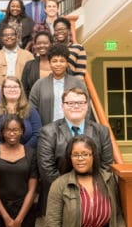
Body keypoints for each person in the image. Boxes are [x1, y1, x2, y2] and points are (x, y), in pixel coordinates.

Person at [37, 87, 114, 215]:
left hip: (95, 196)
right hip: (60, 199)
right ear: (62, 106)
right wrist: (71, 191)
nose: (75, 106)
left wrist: (89, 190)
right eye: (70, 103)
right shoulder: (48, 132)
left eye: (80, 102)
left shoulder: (102, 131)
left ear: (87, 106)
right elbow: (47, 169)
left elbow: (106, 165)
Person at [45, 135, 129, 227]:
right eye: (75, 155)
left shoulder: (108, 180)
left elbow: (117, 217)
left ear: (93, 156)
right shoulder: (59, 185)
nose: (80, 159)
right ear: (70, 158)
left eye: (85, 154)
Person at [0, 115, 38, 227]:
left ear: (22, 131)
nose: (12, 133)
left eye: (16, 130)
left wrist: (19, 219)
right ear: (2, 132)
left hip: (25, 211)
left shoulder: (31, 153)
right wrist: (6, 218)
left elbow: (33, 189)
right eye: (8, 130)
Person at [29, 43, 88, 126]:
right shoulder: (39, 85)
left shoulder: (78, 84)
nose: (58, 64)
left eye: (62, 61)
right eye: (54, 61)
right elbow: (32, 111)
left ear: (67, 63)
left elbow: (86, 109)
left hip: (74, 132)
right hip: (47, 133)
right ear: (49, 63)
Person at [0, 76, 41, 149]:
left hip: (26, 154)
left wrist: (22, 150)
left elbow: (37, 134)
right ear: (2, 90)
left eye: (15, 87)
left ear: (20, 89)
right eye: (8, 87)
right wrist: (4, 149)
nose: (12, 89)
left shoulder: (31, 110)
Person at [21, 31, 53, 98]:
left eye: (45, 43)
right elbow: (24, 89)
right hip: (34, 105)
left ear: (51, 44)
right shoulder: (29, 65)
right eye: (38, 43)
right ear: (35, 45)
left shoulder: (59, 63)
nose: (42, 45)